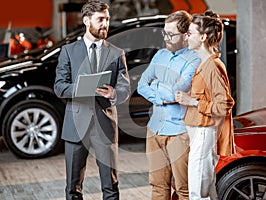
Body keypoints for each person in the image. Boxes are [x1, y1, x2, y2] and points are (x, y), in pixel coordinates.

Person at [54, 1, 130, 200]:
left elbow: (125, 88)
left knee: (111, 187)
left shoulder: (116, 53)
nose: (105, 24)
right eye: (100, 20)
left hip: (105, 124)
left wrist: (114, 93)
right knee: (73, 188)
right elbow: (59, 86)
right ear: (86, 20)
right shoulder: (68, 52)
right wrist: (81, 88)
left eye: (107, 19)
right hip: (75, 126)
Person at [137, 10, 201, 200]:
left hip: (179, 132)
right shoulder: (160, 55)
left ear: (185, 35)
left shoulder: (195, 59)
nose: (166, 38)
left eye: (171, 34)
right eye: (165, 33)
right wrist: (162, 95)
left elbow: (177, 91)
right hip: (155, 129)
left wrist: (156, 86)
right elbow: (141, 85)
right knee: (158, 186)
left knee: (184, 188)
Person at [175, 10, 235, 200]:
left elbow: (224, 104)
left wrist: (191, 101)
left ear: (203, 37)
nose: (187, 36)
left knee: (197, 192)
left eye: (190, 33)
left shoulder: (212, 66)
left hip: (205, 131)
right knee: (205, 190)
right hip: (198, 131)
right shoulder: (204, 63)